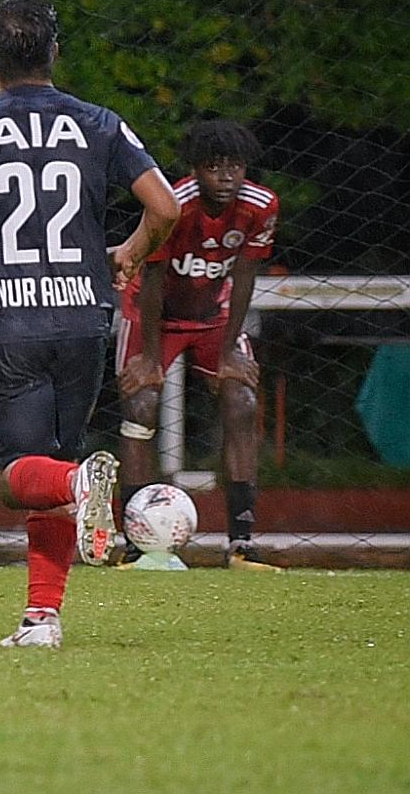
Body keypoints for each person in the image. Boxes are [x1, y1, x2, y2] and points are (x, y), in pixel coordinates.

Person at [0, 0, 178, 649]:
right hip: (84, 317)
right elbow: (166, 207)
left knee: (17, 478)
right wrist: (128, 254)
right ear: (55, 54)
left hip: (11, 321)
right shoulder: (98, 122)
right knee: (54, 459)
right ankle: (41, 616)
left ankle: (75, 482)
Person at [116, 120, 282, 570]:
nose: (226, 176)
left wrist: (229, 351)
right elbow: (150, 279)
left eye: (235, 166)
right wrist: (150, 357)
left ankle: (241, 544)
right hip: (154, 316)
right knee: (141, 405)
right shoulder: (172, 206)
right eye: (214, 167)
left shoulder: (261, 205)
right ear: (195, 169)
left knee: (242, 400)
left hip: (214, 317)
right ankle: (134, 546)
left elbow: (245, 275)